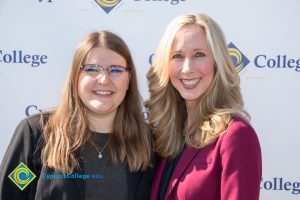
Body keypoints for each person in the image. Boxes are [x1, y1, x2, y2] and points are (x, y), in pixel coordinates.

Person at [0, 30, 155, 200]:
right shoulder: (36, 134)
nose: (104, 79)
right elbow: (10, 194)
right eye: (92, 69)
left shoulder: (148, 142)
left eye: (116, 70)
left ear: (129, 79)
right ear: (76, 77)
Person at [145, 13, 262, 200]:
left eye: (199, 54)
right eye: (177, 56)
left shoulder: (236, 136)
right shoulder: (167, 136)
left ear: (217, 62)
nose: (187, 68)